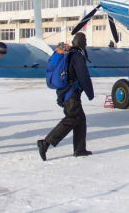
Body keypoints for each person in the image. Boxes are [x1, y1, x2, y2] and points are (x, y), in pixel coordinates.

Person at [37, 32, 94, 161]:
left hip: (65, 92)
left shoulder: (69, 54)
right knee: (72, 118)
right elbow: (83, 75)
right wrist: (90, 93)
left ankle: (79, 149)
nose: (85, 43)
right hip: (71, 93)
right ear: (81, 43)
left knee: (81, 120)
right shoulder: (77, 56)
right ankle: (45, 143)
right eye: (84, 41)